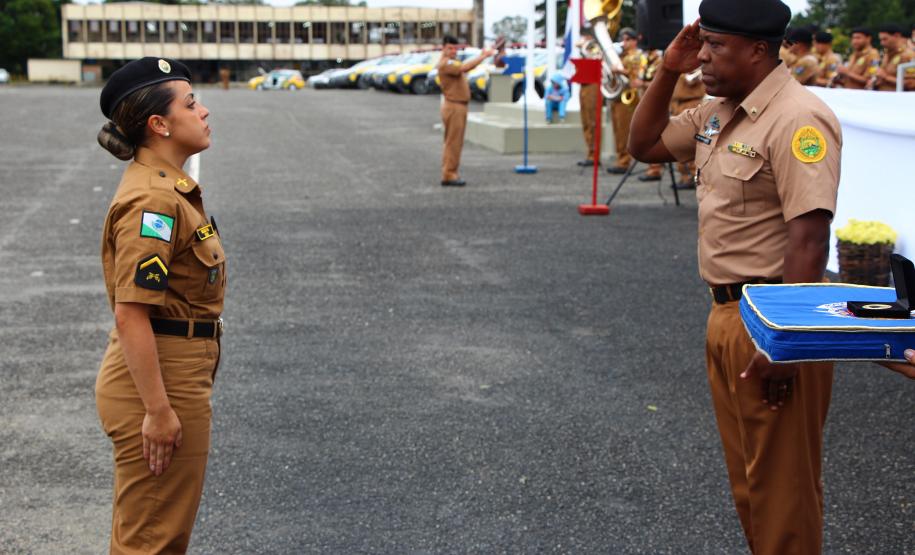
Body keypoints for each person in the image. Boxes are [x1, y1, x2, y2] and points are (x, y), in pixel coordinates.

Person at [628, 0, 841, 552]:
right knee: (750, 484)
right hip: (726, 316)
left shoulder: (799, 118)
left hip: (771, 320)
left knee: (783, 490)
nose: (704, 57)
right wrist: (668, 69)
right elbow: (644, 145)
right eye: (703, 44)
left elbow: (809, 237)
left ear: (758, 50)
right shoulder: (718, 110)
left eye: (715, 46)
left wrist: (785, 339)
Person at [95, 57, 226, 552]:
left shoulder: (169, 188)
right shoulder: (153, 202)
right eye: (191, 104)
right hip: (159, 383)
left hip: (171, 370)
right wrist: (157, 410)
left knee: (146, 529)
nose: (205, 111)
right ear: (159, 124)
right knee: (154, 539)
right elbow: (131, 313)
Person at [436, 36, 494, 187]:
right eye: (450, 48)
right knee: (453, 142)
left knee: (454, 142)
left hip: (457, 105)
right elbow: (464, 68)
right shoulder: (445, 63)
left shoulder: (450, 62)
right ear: (443, 48)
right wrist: (483, 56)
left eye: (455, 48)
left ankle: (450, 172)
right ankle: (449, 174)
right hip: (454, 106)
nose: (453, 51)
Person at [606, 28, 646, 175]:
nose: (625, 42)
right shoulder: (621, 55)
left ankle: (624, 161)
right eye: (623, 39)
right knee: (617, 129)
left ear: (635, 41)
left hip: (629, 97)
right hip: (618, 96)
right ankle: (620, 158)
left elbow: (638, 75)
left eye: (628, 39)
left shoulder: (638, 56)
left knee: (624, 130)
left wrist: (621, 71)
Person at [669, 70, 706, 188]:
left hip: (691, 104)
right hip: (678, 105)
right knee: (679, 142)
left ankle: (693, 175)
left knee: (689, 142)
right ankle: (685, 176)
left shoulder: (697, 68)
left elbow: (690, 81)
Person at [577, 33, 603, 167]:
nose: (583, 39)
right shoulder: (586, 50)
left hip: (593, 86)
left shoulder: (595, 49)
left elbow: (598, 63)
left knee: (593, 121)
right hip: (584, 86)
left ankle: (595, 155)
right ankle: (590, 153)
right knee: (586, 122)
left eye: (585, 36)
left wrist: (586, 51)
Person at [640, 47, 666, 181]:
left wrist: (642, 83)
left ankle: (655, 168)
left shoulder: (659, 61)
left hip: (657, 103)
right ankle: (651, 167)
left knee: (655, 135)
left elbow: (660, 83)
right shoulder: (645, 60)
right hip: (646, 101)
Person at [872, 23, 915, 91]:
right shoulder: (887, 54)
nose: (882, 43)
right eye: (881, 40)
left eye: (885, 39)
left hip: (899, 99)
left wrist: (886, 77)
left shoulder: (909, 55)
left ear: (896, 36)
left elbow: (912, 84)